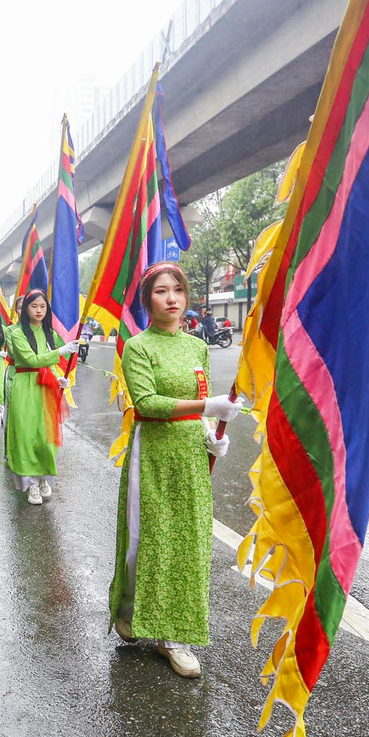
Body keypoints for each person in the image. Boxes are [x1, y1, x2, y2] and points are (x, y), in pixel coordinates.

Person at [107, 263, 244, 678]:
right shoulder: (138, 346)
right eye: (161, 291)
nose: (172, 298)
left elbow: (202, 396)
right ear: (147, 299)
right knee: (145, 542)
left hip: (189, 456)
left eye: (178, 290)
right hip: (153, 453)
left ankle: (174, 637)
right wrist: (208, 408)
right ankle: (130, 608)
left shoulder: (197, 346)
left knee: (189, 544)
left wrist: (211, 435)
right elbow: (147, 403)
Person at [5, 289, 77, 505]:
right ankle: (31, 485)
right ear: (25, 308)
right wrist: (62, 350)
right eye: (34, 306)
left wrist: (60, 379)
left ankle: (44, 478)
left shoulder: (49, 334)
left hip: (46, 386)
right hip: (25, 386)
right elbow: (31, 360)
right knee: (27, 437)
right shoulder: (16, 333)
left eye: (42, 306)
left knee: (47, 437)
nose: (38, 310)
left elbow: (50, 364)